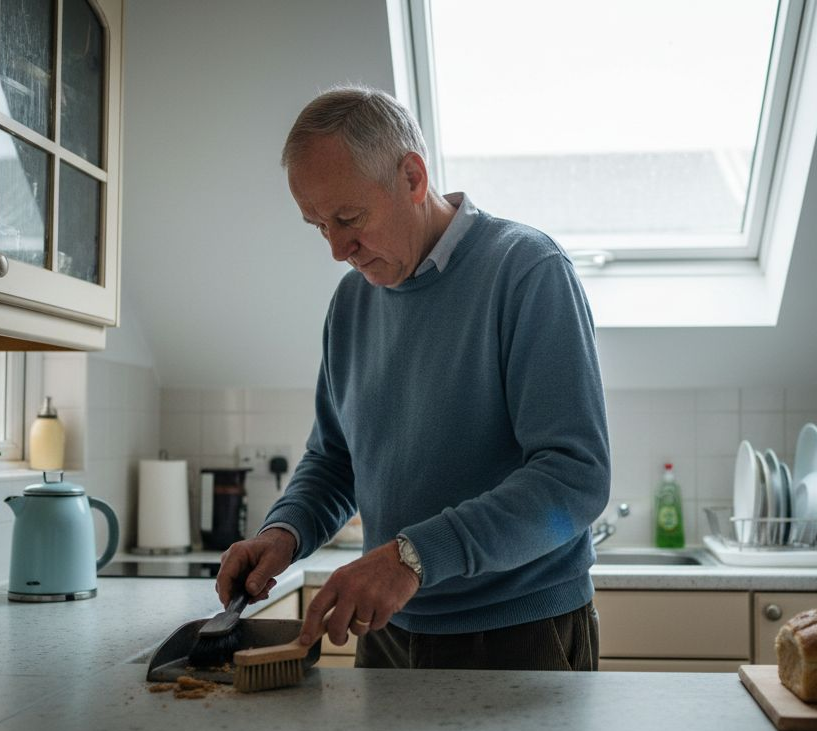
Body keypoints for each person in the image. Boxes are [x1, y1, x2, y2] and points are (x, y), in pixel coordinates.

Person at [215, 85, 610, 671]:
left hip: (522, 630)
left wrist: (411, 557)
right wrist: (284, 533)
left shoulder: (527, 272)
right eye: (318, 226)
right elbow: (334, 462)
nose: (338, 249)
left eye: (349, 218)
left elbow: (575, 479)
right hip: (390, 630)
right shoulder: (352, 303)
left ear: (412, 178)